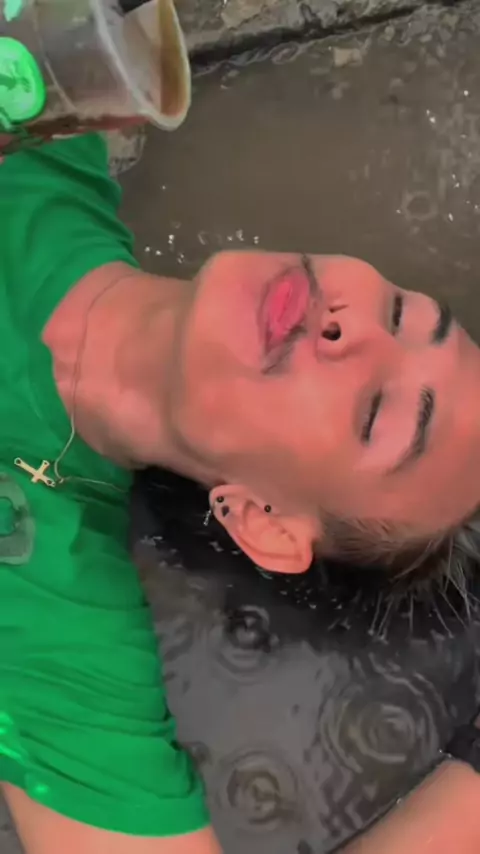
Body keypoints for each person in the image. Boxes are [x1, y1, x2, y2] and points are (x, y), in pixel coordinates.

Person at [2, 126, 480, 853]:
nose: (348, 328)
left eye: (375, 415)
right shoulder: (49, 113)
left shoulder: (44, 594)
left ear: (264, 521)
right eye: (399, 314)